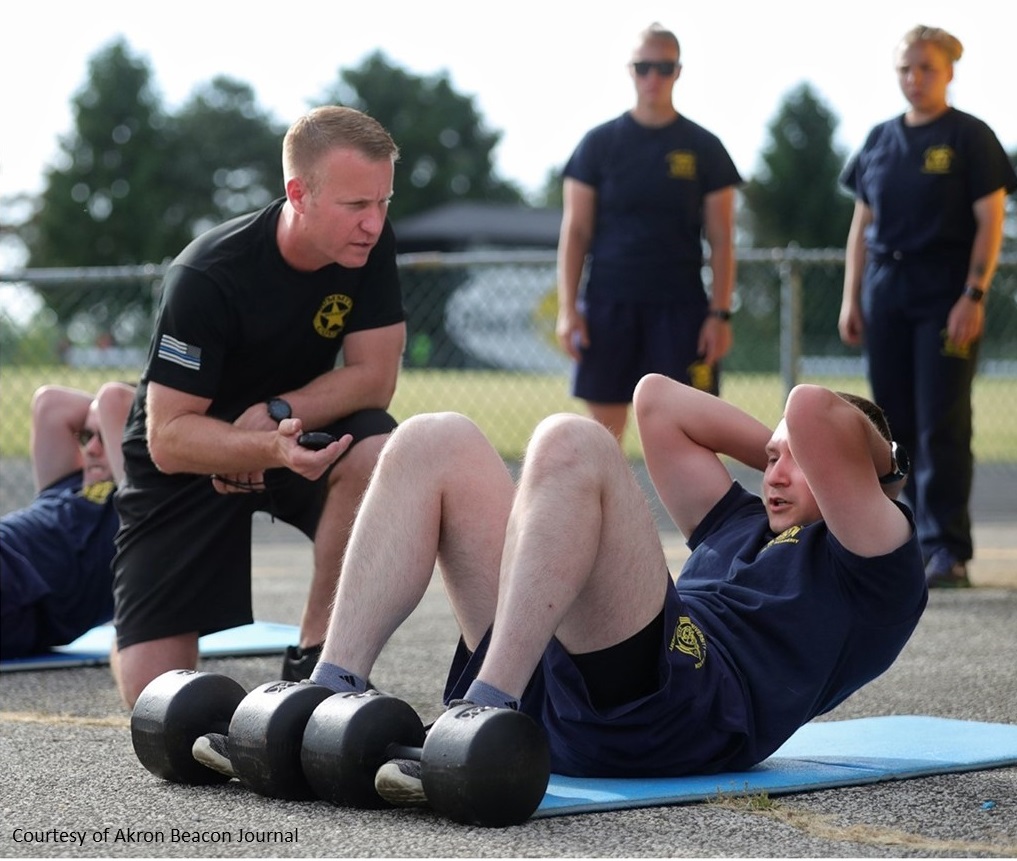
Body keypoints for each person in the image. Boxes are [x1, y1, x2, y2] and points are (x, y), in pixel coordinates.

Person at [191, 374, 926, 803]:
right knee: (433, 436)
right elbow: (656, 402)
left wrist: (860, 454)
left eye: (799, 461)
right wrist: (780, 450)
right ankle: (330, 689)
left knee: (573, 442)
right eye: (768, 457)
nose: (772, 471)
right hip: (568, 684)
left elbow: (807, 406)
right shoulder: (738, 523)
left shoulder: (873, 559)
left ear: (860, 476)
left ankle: (486, 710)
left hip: (679, 709)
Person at [111, 106, 406, 707]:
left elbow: (375, 379)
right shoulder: (207, 274)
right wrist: (258, 446)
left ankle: (318, 658)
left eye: (384, 203)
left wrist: (277, 414)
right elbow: (168, 438)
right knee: (156, 702)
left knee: (378, 445)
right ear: (299, 193)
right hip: (189, 460)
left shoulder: (368, 246)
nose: (373, 224)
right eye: (357, 206)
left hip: (292, 436)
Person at [839, 25, 1017, 589]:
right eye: (905, 69)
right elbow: (860, 225)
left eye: (926, 69)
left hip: (946, 292)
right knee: (890, 424)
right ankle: (902, 540)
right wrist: (852, 295)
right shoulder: (878, 140)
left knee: (942, 418)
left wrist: (974, 294)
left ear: (949, 72)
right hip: (886, 288)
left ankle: (948, 549)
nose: (914, 79)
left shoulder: (970, 137)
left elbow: (990, 223)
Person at [556, 22, 742, 442]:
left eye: (663, 67)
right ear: (630, 70)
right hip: (609, 304)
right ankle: (605, 511)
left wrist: (720, 314)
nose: (652, 77)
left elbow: (723, 239)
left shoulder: (704, 147)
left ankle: (698, 512)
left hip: (682, 309)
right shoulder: (598, 145)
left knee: (689, 439)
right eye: (643, 67)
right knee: (601, 439)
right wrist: (569, 309)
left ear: (678, 71)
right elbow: (576, 232)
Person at [1, 382, 135, 658]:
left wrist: (144, 418)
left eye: (105, 436)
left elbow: (116, 399)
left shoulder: (135, 506)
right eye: (87, 435)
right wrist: (104, 414)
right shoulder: (67, 482)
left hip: (16, 590)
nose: (91, 449)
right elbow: (50, 403)